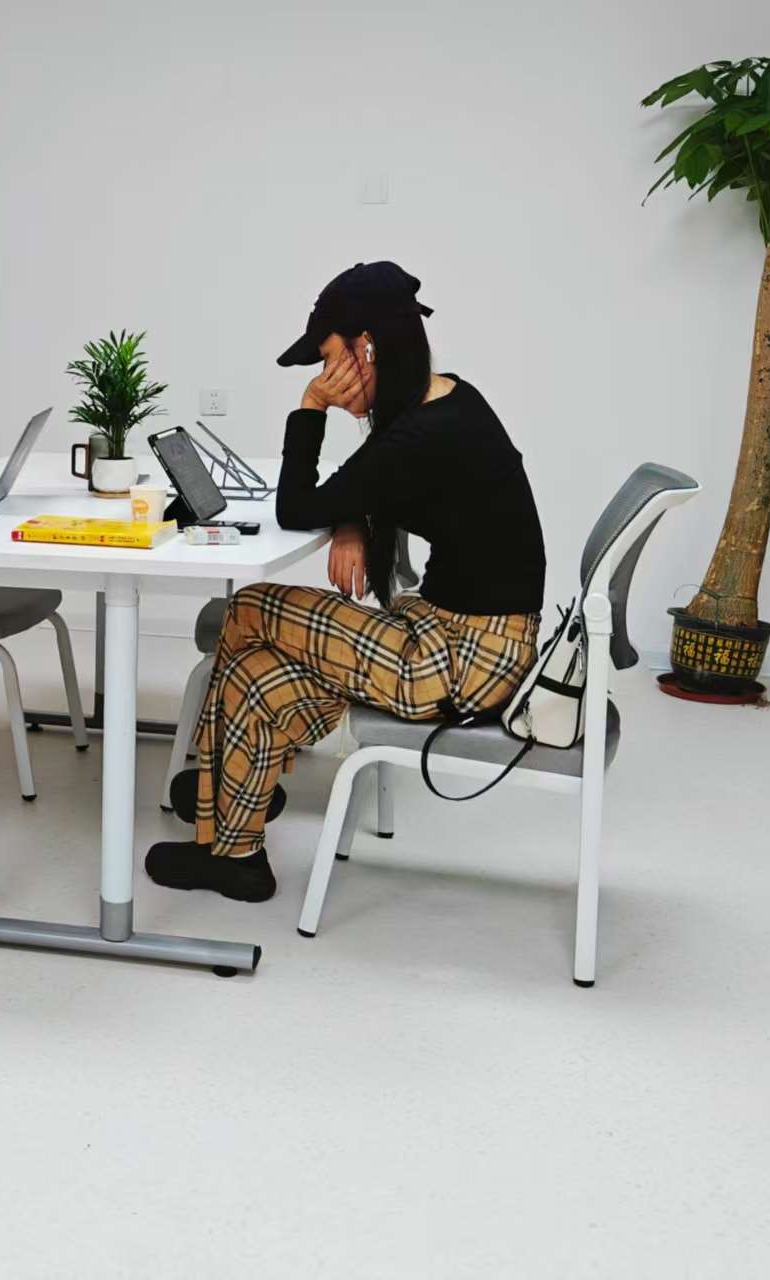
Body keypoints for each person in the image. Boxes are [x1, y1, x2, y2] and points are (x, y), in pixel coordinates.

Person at [145, 261, 547, 902]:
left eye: (329, 359)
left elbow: (298, 506)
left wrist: (311, 407)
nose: (324, 377)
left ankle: (224, 795)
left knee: (248, 610)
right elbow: (361, 487)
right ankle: (237, 852)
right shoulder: (445, 401)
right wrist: (353, 521)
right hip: (459, 639)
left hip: (461, 661)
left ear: (367, 347)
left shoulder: (421, 433)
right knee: (256, 677)